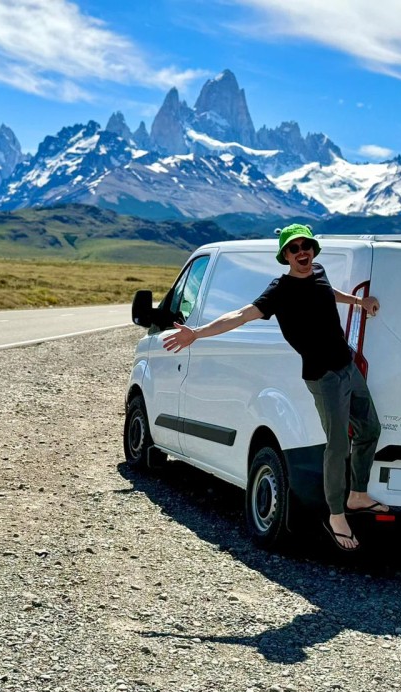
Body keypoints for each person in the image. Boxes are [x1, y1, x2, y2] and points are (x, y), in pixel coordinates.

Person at [161, 224, 386, 552]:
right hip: (323, 375)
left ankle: (357, 495)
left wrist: (358, 301)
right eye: (294, 249)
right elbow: (240, 315)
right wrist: (196, 333)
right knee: (337, 445)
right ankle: (337, 514)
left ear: (313, 249)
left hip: (347, 366)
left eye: (305, 245)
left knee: (370, 429)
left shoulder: (319, 271)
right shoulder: (280, 291)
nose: (301, 253)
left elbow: (328, 292)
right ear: (285, 256)